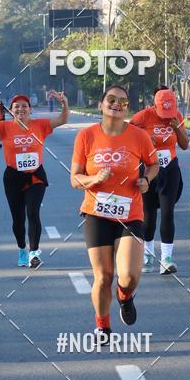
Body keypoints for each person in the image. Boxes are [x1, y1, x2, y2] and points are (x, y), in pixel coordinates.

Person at [71, 85, 158, 343]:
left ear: (127, 108)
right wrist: (95, 177)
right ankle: (103, 327)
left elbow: (153, 165)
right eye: (111, 99)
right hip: (97, 212)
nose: (117, 104)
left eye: (123, 101)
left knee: (129, 276)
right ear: (100, 104)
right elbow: (75, 179)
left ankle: (125, 296)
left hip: (130, 213)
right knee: (103, 275)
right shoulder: (86, 136)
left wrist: (146, 180)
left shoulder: (139, 136)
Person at [0, 89, 68, 268]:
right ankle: (22, 248)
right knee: (18, 219)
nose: (21, 109)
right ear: (11, 110)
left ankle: (34, 253)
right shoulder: (4, 127)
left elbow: (62, 119)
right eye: (17, 106)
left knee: (33, 212)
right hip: (13, 177)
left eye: (24, 106)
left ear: (30, 109)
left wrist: (64, 103)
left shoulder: (40, 125)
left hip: (35, 175)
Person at [130, 86, 188, 274]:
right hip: (148, 170)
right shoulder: (142, 117)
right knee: (148, 213)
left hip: (170, 169)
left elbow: (185, 145)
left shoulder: (176, 116)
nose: (165, 116)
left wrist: (176, 128)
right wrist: (146, 138)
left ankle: (166, 258)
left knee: (167, 212)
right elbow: (126, 138)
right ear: (154, 106)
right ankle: (147, 252)